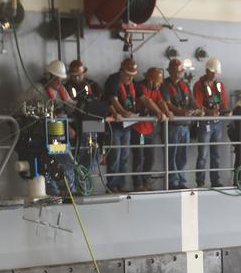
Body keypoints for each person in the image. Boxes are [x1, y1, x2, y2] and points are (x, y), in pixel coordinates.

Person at [15, 59, 76, 197]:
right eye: (57, 79)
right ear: (48, 76)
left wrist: (73, 105)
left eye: (61, 79)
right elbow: (19, 105)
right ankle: (53, 192)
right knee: (47, 163)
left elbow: (71, 107)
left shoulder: (62, 91)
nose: (59, 82)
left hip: (57, 130)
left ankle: (70, 190)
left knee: (65, 160)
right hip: (42, 132)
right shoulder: (37, 89)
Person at [103, 56, 141, 192]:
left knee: (124, 155)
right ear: (122, 72)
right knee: (115, 156)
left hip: (126, 126)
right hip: (114, 126)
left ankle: (121, 184)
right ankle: (112, 185)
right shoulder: (113, 81)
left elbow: (142, 98)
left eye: (132, 76)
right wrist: (123, 112)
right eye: (128, 76)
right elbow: (113, 100)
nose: (130, 79)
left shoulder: (131, 83)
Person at [160, 57, 198, 189]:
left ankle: (181, 180)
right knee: (172, 155)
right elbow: (167, 104)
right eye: (174, 71)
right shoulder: (164, 85)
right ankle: (173, 182)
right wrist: (182, 112)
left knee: (182, 156)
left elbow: (192, 100)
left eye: (179, 71)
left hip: (185, 127)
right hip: (172, 127)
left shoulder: (185, 84)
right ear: (169, 71)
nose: (177, 74)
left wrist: (200, 109)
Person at [193, 57, 228, 188]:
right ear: (207, 70)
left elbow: (223, 103)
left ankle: (215, 180)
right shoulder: (198, 85)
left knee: (216, 154)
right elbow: (197, 104)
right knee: (203, 153)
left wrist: (226, 111)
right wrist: (209, 112)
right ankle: (200, 182)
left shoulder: (219, 85)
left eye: (216, 72)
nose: (214, 74)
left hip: (218, 123)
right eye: (212, 72)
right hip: (205, 123)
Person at [134, 66, 169, 190]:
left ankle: (145, 182)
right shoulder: (140, 87)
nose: (158, 85)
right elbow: (147, 101)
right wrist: (160, 113)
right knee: (139, 158)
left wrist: (167, 112)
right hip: (138, 129)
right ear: (150, 80)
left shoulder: (155, 89)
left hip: (149, 130)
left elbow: (160, 101)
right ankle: (138, 184)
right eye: (157, 82)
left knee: (150, 158)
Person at [66, 58, 103, 174]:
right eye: (73, 76)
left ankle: (85, 184)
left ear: (84, 73)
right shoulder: (66, 87)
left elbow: (101, 105)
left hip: (92, 124)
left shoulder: (93, 86)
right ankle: (77, 184)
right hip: (75, 126)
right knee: (76, 155)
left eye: (79, 75)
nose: (76, 78)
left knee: (92, 153)